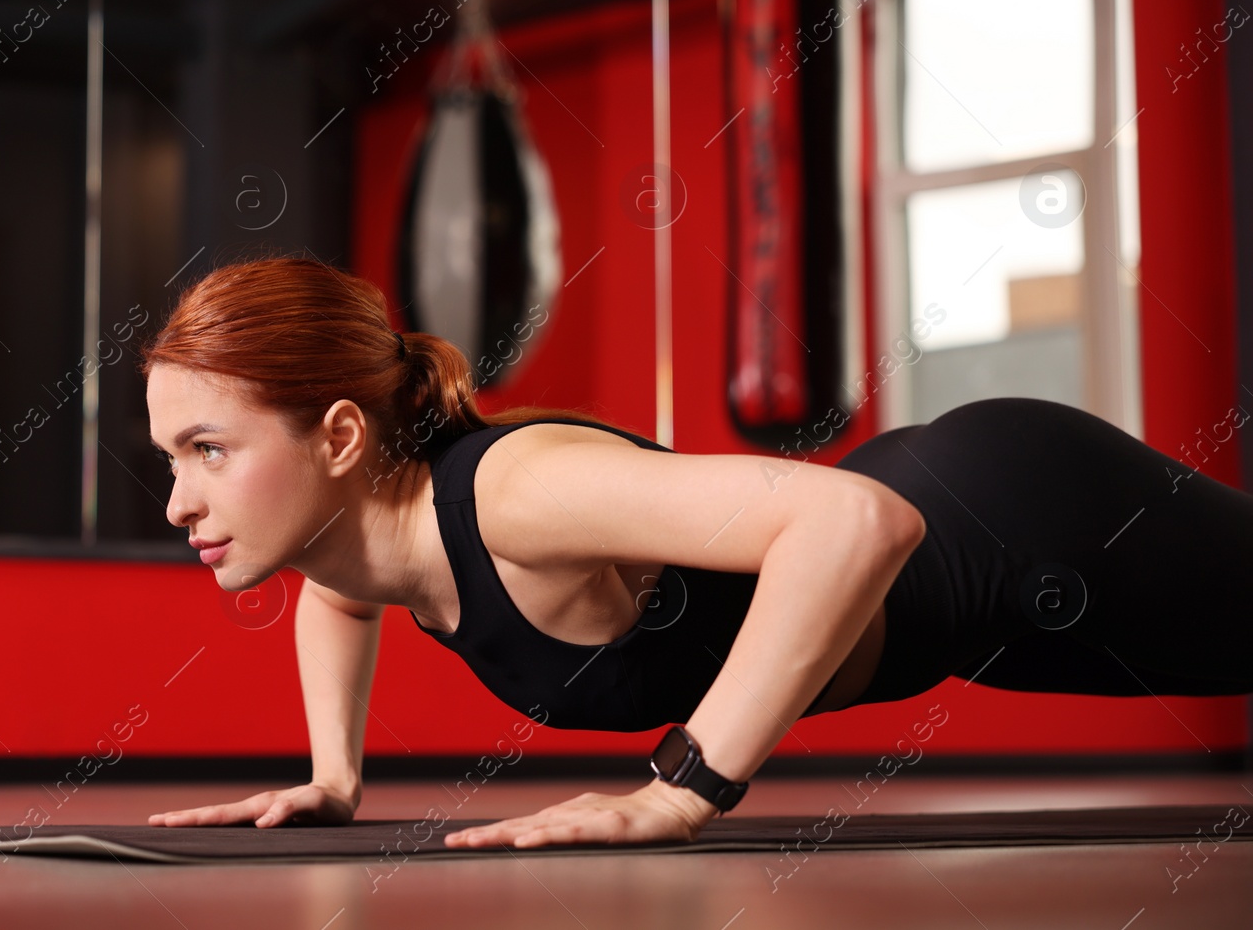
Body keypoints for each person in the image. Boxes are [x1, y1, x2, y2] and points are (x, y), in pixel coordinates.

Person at [140, 253, 1253, 849]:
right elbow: (338, 589)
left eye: (208, 449)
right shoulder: (370, 540)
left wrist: (684, 788)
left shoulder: (516, 494)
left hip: (1020, 523)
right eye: (170, 457)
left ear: (338, 436)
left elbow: (854, 521)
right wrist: (336, 777)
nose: (181, 501)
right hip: (974, 608)